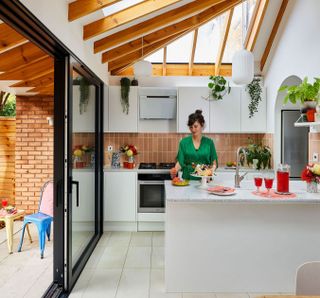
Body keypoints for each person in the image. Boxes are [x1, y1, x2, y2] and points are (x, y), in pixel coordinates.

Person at [170, 110, 218, 180]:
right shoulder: (184, 142)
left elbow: (214, 163)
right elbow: (180, 162)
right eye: (191, 127)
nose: (193, 130)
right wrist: (175, 170)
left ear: (202, 125)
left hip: (205, 180)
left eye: (195, 126)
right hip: (188, 180)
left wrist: (211, 172)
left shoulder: (209, 143)